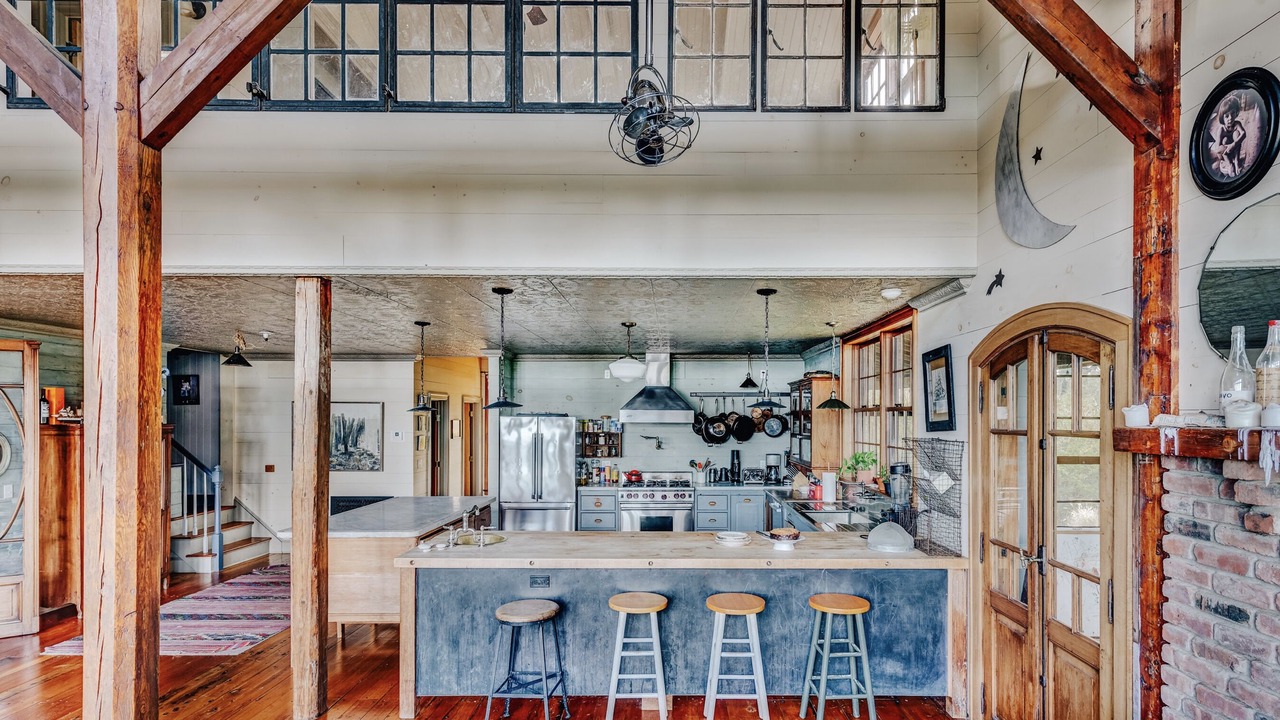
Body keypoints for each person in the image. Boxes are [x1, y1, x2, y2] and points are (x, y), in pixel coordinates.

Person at [1210, 94, 1247, 178]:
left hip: (1234, 150)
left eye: (1233, 113)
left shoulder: (1237, 124)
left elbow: (1244, 134)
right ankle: (1230, 164)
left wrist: (1233, 145)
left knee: (1236, 134)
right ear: (1222, 118)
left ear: (1236, 112)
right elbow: (1218, 149)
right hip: (1224, 154)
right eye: (1227, 116)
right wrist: (1227, 147)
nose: (1230, 118)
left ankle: (1236, 161)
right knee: (1225, 140)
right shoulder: (1221, 130)